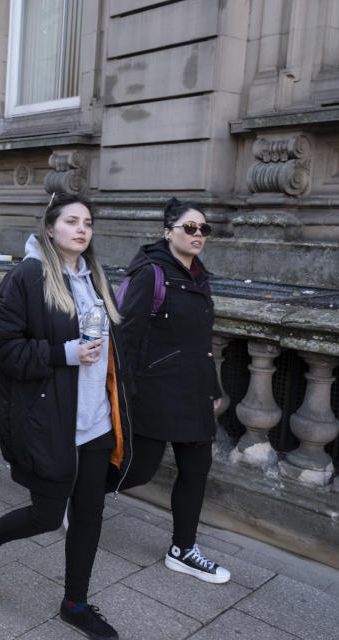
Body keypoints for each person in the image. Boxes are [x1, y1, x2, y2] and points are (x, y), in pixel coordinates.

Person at [0, 192, 129, 640]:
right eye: (72, 221)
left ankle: (75, 603)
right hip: (53, 421)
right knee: (45, 514)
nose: (82, 229)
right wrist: (65, 353)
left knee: (90, 515)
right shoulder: (28, 276)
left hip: (95, 420)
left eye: (88, 223)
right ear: (51, 227)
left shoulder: (96, 278)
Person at [115, 197, 230, 584]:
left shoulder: (201, 277)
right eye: (190, 228)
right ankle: (75, 494)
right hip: (155, 393)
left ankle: (183, 549)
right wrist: (124, 391)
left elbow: (203, 341)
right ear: (168, 232)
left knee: (196, 471)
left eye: (204, 229)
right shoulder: (151, 273)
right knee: (138, 471)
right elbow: (126, 337)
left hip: (194, 393)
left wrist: (212, 387)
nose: (198, 235)